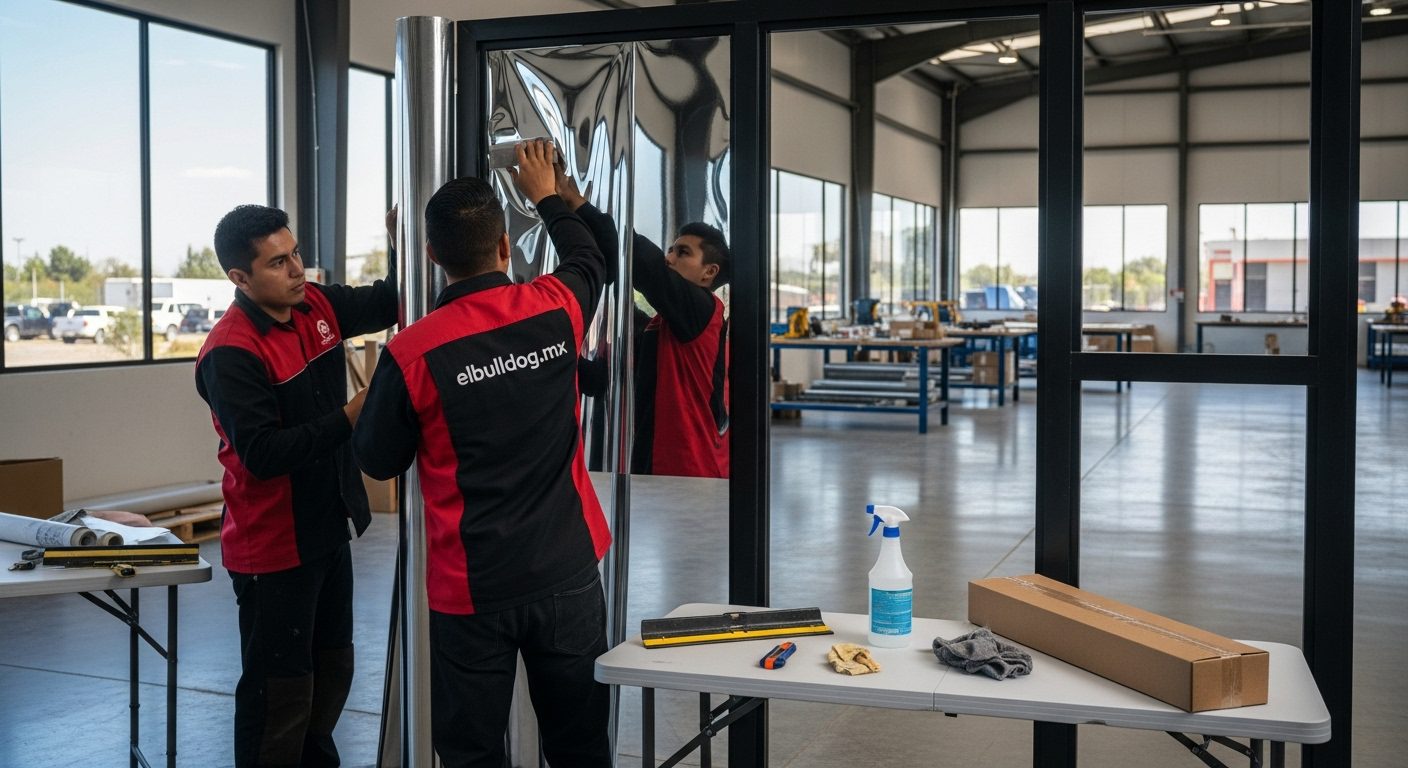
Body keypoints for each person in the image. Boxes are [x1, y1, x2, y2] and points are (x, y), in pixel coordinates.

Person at [352, 140, 612, 768]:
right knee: (580, 744)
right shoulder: (556, 308)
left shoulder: (412, 354)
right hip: (567, 571)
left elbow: (379, 460)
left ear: (431, 256)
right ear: (504, 247)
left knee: (471, 754)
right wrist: (546, 194)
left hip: (473, 589)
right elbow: (589, 257)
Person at [195, 204, 397, 767]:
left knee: (331, 673)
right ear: (239, 277)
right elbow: (261, 455)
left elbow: (391, 299)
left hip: (328, 527)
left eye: (297, 254)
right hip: (274, 548)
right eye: (278, 262)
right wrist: (353, 416)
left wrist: (407, 243)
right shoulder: (231, 351)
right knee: (279, 696)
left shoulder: (317, 306)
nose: (297, 270)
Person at [560, 176, 731, 478]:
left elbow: (640, 261)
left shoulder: (704, 312)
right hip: (653, 470)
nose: (669, 258)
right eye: (670, 249)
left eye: (683, 253)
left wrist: (577, 204)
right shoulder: (659, 327)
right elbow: (601, 380)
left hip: (691, 473)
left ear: (709, 272)